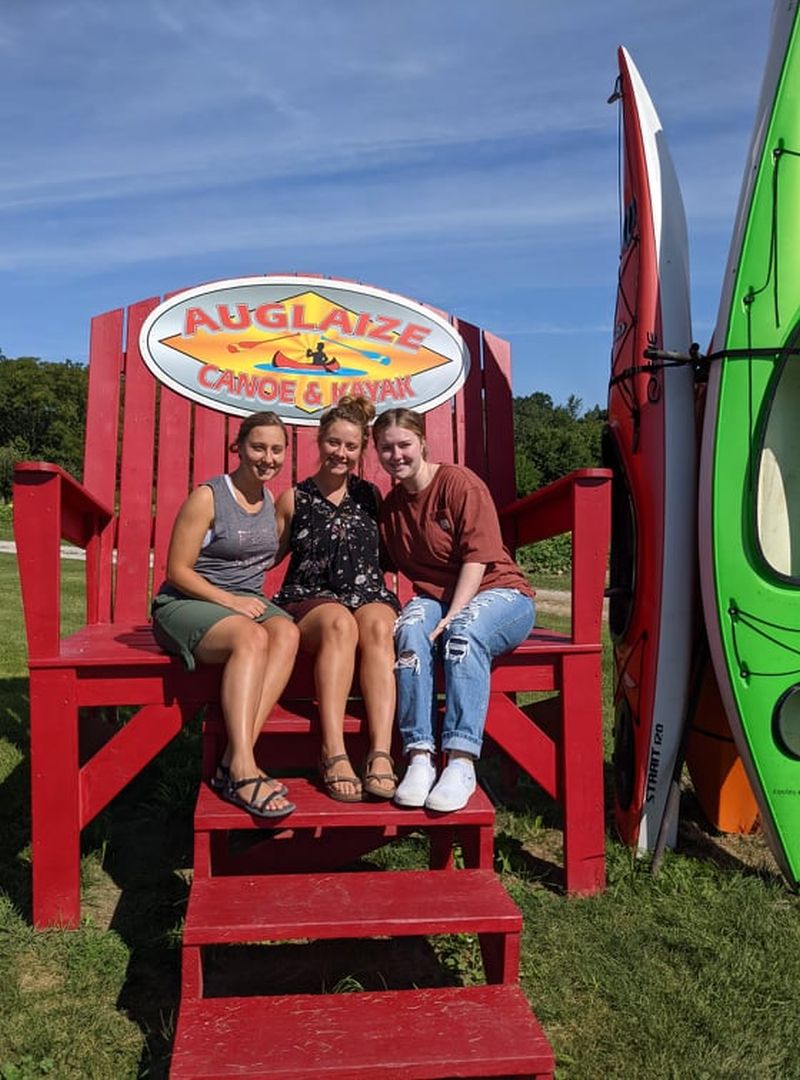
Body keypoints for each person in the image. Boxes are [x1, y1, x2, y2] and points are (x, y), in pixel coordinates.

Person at [372, 407, 536, 812]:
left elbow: (477, 560)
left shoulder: (458, 483)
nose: (397, 455)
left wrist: (450, 616)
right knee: (409, 631)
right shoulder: (391, 508)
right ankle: (420, 756)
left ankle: (461, 761)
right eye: (386, 448)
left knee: (462, 632)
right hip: (437, 598)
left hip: (500, 593)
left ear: (422, 442)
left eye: (404, 445)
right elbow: (379, 563)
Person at [151, 411, 300, 819]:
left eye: (276, 450)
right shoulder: (210, 496)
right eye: (258, 447)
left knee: (287, 632)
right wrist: (230, 602)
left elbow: (271, 555)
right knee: (251, 637)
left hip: (245, 601)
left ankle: (234, 760)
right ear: (237, 448)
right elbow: (176, 570)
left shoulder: (271, 499)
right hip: (187, 601)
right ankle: (243, 769)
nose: (267, 458)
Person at [274, 396, 400, 802]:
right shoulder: (294, 499)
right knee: (339, 623)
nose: (340, 453)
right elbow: (265, 555)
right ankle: (333, 750)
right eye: (333, 443)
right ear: (319, 440)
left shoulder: (371, 497)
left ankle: (380, 752)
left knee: (380, 625)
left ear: (362, 451)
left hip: (365, 593)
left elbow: (396, 551)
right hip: (311, 599)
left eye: (350, 446)